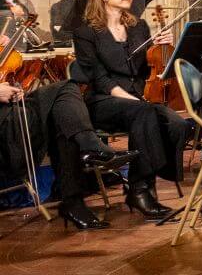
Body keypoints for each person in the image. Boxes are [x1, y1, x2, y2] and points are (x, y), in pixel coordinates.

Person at [71, 0, 189, 219]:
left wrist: (160, 47)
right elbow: (99, 78)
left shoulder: (139, 27)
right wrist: (133, 100)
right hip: (103, 100)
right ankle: (140, 190)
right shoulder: (85, 32)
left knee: (177, 123)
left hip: (139, 101)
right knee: (145, 114)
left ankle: (149, 181)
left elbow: (147, 69)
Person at [0, 72, 134, 230]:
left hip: (11, 115)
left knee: (65, 91)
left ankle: (74, 197)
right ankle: (89, 150)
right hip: (6, 131)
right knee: (60, 111)